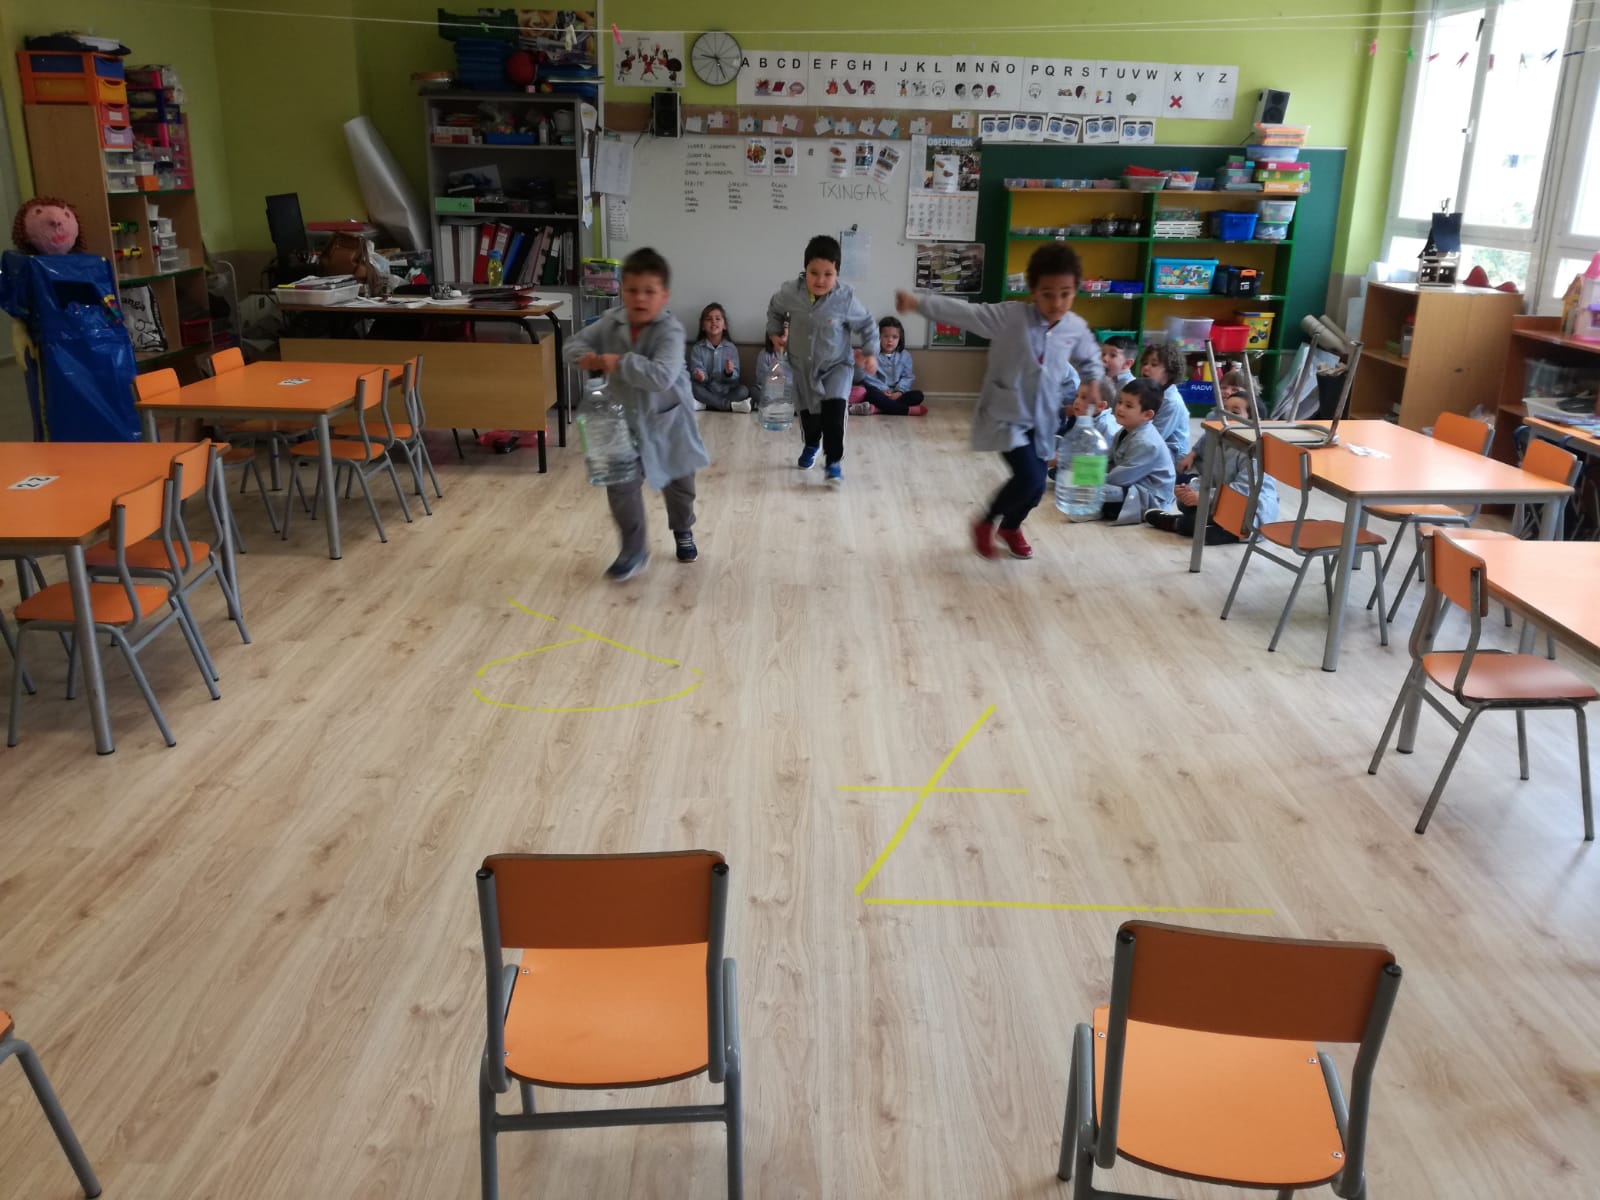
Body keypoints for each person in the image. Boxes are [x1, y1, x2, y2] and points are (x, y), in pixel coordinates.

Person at [896, 241, 1105, 560]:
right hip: (1006, 415)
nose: (1056, 302)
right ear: (1033, 291)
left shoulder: (1073, 327)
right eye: (1047, 293)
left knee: (1036, 488)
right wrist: (919, 303)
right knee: (1029, 476)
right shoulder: (1012, 316)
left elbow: (1090, 355)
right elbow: (966, 313)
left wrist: (1092, 381)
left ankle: (1010, 527)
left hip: (1043, 418)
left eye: (1065, 293)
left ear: (1075, 290)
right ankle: (986, 522)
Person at [564, 247, 710, 581]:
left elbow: (661, 376)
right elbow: (572, 344)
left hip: (669, 424)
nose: (640, 298)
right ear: (621, 291)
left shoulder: (670, 331)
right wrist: (585, 357)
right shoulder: (610, 322)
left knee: (681, 488)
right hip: (622, 423)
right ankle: (633, 549)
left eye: (649, 291)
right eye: (632, 290)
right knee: (620, 487)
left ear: (664, 296)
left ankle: (683, 529)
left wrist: (619, 362)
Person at [767, 234, 879, 485]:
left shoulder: (845, 299)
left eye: (828, 274)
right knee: (810, 417)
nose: (820, 280)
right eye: (814, 273)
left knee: (834, 412)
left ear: (837, 273)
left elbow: (867, 324)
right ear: (804, 271)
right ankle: (811, 444)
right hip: (802, 367)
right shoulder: (790, 293)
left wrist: (871, 352)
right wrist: (775, 334)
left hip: (836, 366)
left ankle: (833, 462)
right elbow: (774, 309)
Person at [1148, 381, 1278, 542]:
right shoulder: (1220, 442)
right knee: (1187, 505)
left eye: (1235, 412)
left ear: (1254, 421)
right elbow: (1210, 479)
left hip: (1250, 510)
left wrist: (1203, 497)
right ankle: (1205, 526)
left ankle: (1187, 525)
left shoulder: (1256, 452)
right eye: (1224, 410)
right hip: (1221, 502)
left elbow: (1243, 492)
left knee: (1202, 521)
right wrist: (1190, 490)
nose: (1225, 416)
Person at [1101, 377, 1176, 524]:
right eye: (1120, 402)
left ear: (1147, 415)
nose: (1120, 408)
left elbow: (1121, 478)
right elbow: (1109, 461)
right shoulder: (1124, 431)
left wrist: (1089, 479)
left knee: (1094, 492)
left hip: (1149, 497)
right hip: (1130, 485)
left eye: (1128, 406)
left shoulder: (1147, 442)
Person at [849, 316, 927, 415]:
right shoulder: (872, 355)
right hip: (878, 392)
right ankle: (906, 410)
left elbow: (907, 377)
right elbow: (868, 377)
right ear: (879, 337)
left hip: (897, 393)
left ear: (900, 338)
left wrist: (899, 392)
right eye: (886, 336)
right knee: (869, 393)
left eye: (894, 337)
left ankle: (878, 409)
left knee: (918, 396)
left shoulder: (905, 356)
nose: (890, 340)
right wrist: (883, 390)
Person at [687, 302, 751, 413]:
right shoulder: (697, 348)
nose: (713, 322)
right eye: (708, 319)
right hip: (706, 390)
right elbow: (696, 370)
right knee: (692, 386)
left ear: (724, 325)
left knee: (743, 391)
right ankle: (728, 406)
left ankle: (706, 405)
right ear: (702, 326)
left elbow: (735, 376)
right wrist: (701, 376)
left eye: (718, 319)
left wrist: (728, 373)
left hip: (727, 391)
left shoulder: (731, 348)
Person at [1137, 340, 1192, 465]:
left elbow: (1154, 439)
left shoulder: (1171, 402)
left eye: (1154, 364)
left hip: (1171, 455)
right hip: (1148, 444)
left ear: (1169, 371)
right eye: (1145, 363)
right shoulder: (1149, 391)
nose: (1146, 367)